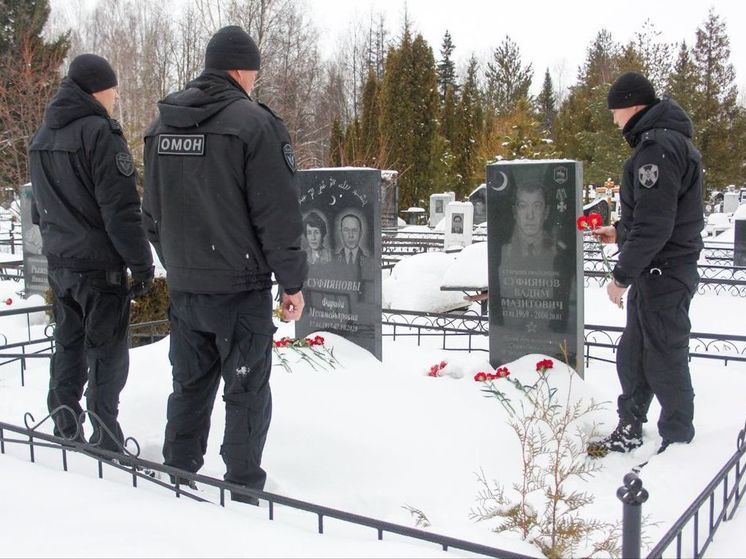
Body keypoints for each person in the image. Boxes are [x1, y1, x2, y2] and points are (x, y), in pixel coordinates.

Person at [142, 26, 307, 503]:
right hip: (239, 289)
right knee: (246, 391)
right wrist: (292, 282)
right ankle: (242, 491)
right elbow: (278, 215)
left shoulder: (160, 127)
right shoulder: (254, 124)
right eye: (254, 72)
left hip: (187, 288)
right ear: (241, 69)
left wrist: (177, 262)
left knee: (189, 387)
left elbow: (149, 214)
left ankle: (177, 478)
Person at [29, 54, 154, 450]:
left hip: (60, 261)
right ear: (98, 89)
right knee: (106, 352)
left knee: (68, 344)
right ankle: (105, 434)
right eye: (113, 89)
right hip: (99, 267)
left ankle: (64, 423)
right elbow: (120, 211)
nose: (116, 97)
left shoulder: (42, 136)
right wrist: (141, 264)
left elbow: (38, 208)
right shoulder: (100, 134)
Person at [589, 72, 704, 456]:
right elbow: (658, 216)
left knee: (664, 355)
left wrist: (621, 276)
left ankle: (678, 439)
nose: (614, 120)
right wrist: (620, 233)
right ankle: (630, 426)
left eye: (615, 112)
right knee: (635, 353)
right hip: (660, 271)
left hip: (665, 272)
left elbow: (657, 225)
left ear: (632, 106)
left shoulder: (657, 148)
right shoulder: (660, 142)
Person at [501, 183, 556, 268]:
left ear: (546, 212)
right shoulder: (504, 251)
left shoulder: (557, 251)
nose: (530, 216)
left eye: (537, 206)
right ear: (514, 212)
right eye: (523, 206)